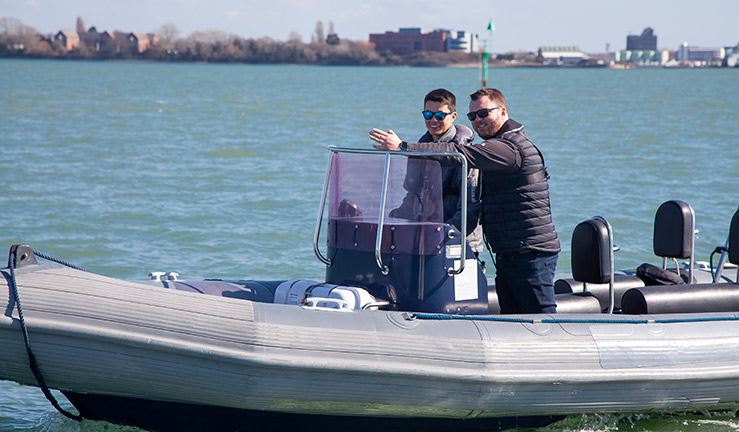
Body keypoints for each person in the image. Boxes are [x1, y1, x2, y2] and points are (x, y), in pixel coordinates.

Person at [370, 88, 559, 314]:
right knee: (512, 320)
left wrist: (403, 147)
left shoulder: (508, 147)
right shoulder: (497, 145)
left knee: (542, 318)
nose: (478, 120)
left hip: (530, 253)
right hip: (508, 253)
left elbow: (459, 157)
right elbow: (413, 197)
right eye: (473, 116)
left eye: (484, 113)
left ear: (503, 111)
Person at [371, 88, 484, 259]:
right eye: (428, 115)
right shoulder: (420, 148)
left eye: (440, 116)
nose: (433, 121)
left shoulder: (465, 154)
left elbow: (470, 210)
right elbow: (412, 195)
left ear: (453, 117)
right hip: (424, 241)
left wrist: (442, 235)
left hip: (458, 243)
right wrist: (392, 221)